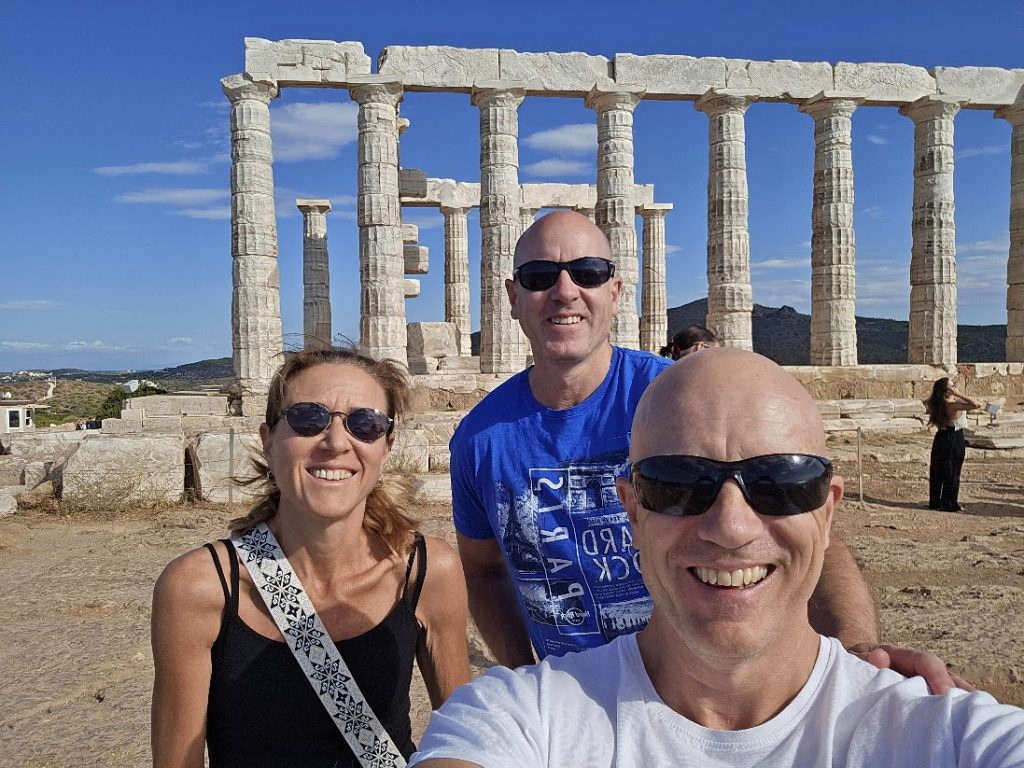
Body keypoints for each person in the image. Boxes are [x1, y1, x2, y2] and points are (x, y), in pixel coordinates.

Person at [412, 349, 1024, 767]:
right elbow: (485, 570)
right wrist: (526, 667)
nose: (730, 526)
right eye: (679, 482)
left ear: (829, 508)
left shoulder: (948, 735)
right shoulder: (516, 719)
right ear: (629, 507)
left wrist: (860, 643)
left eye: (782, 481)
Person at [450, 210, 933, 679]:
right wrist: (523, 678)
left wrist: (855, 646)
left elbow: (801, 526)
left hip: (715, 690)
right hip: (578, 700)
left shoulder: (689, 397)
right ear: (513, 297)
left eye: (588, 273)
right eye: (539, 277)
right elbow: (484, 571)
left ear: (615, 293)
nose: (565, 291)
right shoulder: (479, 440)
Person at [151, 347, 470, 768]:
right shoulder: (198, 588)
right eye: (307, 418)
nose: (336, 443)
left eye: (366, 424)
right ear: (269, 441)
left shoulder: (427, 571)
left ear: (386, 447)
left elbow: (465, 736)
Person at [925, 376, 981, 512]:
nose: (955, 386)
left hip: (941, 436)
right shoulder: (951, 404)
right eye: (952, 385)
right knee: (953, 470)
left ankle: (936, 501)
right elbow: (976, 404)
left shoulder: (937, 402)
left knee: (938, 469)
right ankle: (949, 503)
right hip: (954, 436)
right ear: (947, 390)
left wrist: (955, 395)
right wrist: (958, 393)